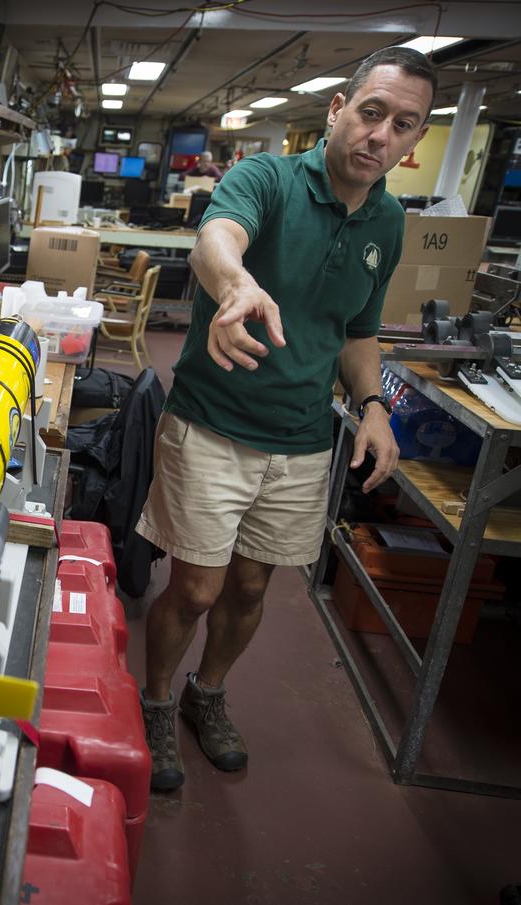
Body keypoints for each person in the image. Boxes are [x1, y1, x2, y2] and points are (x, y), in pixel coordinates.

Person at [135, 46, 434, 791]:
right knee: (196, 588)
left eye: (403, 125)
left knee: (249, 588)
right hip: (211, 424)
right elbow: (217, 238)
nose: (381, 136)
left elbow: (358, 334)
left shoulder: (389, 221)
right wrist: (235, 287)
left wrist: (373, 406)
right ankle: (157, 698)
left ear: (415, 140)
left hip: (301, 442)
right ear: (337, 110)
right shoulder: (266, 176)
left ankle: (209, 692)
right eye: (371, 113)